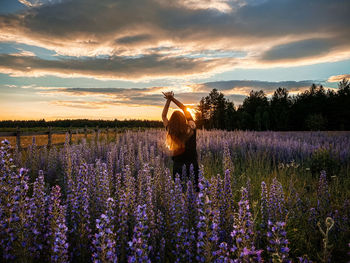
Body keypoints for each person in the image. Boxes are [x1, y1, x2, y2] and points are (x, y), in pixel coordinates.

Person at [162, 91, 199, 191]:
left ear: (172, 121)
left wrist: (168, 101)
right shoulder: (191, 127)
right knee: (195, 193)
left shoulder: (171, 130)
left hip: (178, 166)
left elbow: (164, 116)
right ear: (183, 119)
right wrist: (173, 99)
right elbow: (184, 108)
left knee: (180, 194)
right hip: (192, 164)